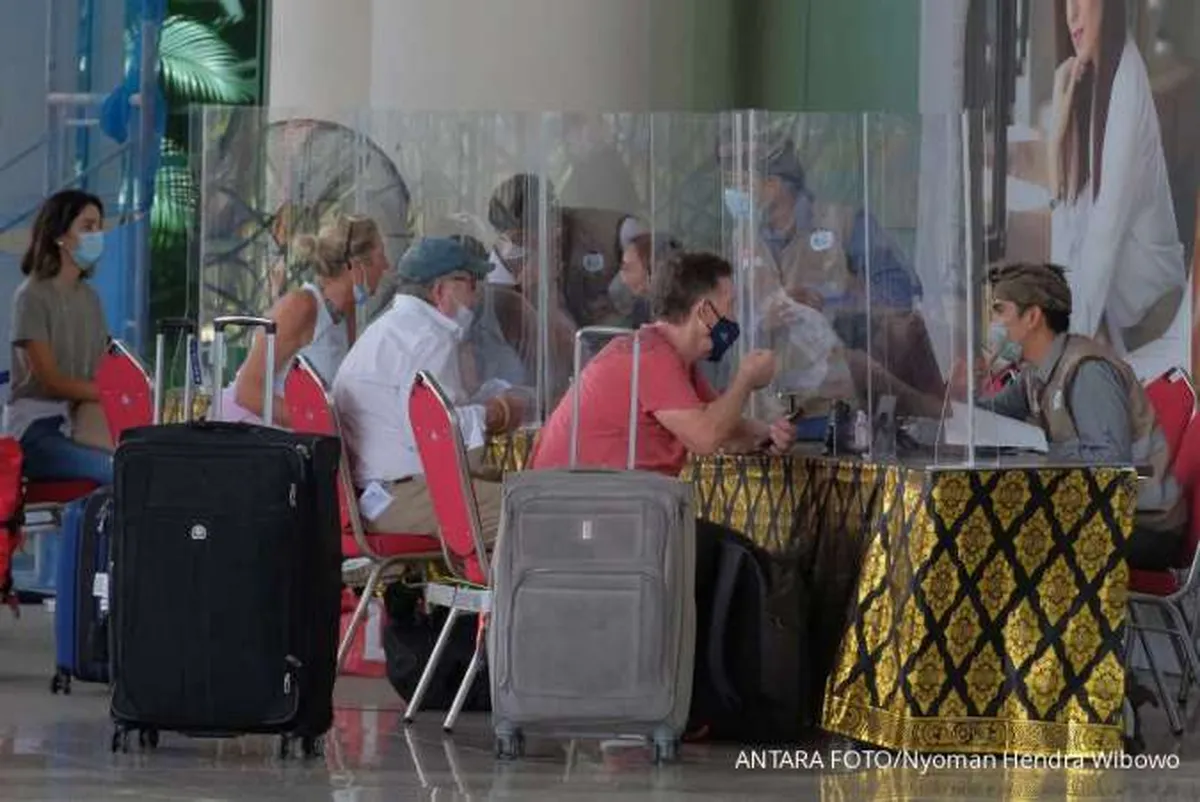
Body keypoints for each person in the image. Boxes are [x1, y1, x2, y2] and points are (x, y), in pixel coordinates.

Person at [982, 262, 1184, 570]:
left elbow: (1112, 464)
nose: (992, 322)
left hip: (1143, 526)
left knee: (1012, 540)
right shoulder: (1035, 372)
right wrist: (939, 400)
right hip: (1100, 511)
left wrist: (1036, 450)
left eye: (999, 310)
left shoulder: (1089, 371)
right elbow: (990, 415)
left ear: (1033, 316)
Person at [529, 250, 794, 476]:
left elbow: (723, 425)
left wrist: (767, 434)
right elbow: (706, 436)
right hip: (577, 512)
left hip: (611, 508)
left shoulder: (672, 358)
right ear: (704, 311)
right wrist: (746, 378)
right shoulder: (649, 356)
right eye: (730, 305)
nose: (735, 317)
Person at [332, 237, 529, 540]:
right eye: (470, 284)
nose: (475, 297)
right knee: (530, 512)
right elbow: (437, 434)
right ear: (440, 290)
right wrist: (497, 412)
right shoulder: (430, 339)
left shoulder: (391, 329)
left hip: (373, 494)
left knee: (514, 486)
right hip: (400, 497)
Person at [1050, 0, 1187, 379]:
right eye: (1065, 3)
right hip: (1122, 331)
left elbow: (1100, 242)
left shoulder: (1126, 86)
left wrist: (1057, 357)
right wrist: (1056, 146)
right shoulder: (1092, 82)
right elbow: (1072, 243)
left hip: (1154, 333)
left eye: (1081, 0)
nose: (1071, 15)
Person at [220, 215, 390, 426]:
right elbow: (247, 391)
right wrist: (321, 425)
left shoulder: (346, 312)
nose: (386, 266)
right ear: (354, 267)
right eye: (380, 256)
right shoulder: (301, 306)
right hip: (247, 436)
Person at [5, 190, 112, 484]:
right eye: (87, 227)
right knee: (113, 471)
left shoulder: (90, 299)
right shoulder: (31, 297)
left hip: (82, 420)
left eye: (99, 227)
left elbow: (102, 369)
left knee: (138, 467)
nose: (97, 235)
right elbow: (50, 381)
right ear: (60, 235)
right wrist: (109, 393)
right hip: (37, 428)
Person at [606, 216, 683, 329]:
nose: (622, 278)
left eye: (628, 269)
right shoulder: (642, 309)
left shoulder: (685, 315)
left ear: (655, 270)